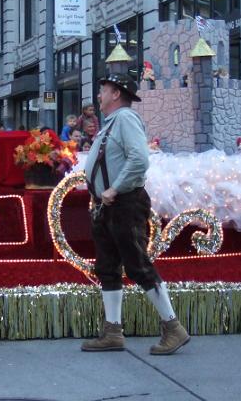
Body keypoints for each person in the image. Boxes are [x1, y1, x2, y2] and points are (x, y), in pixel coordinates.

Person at [82, 73, 190, 355]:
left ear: (116, 93)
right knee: (108, 266)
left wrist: (114, 189)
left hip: (124, 204)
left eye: (103, 89)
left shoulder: (126, 119)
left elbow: (140, 159)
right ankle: (112, 331)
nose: (99, 95)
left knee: (137, 264)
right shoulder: (113, 123)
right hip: (110, 206)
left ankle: (172, 327)